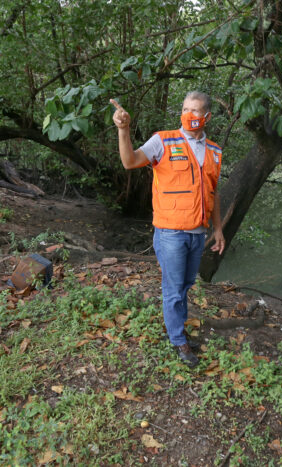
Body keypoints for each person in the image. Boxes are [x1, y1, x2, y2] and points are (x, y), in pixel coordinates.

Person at [111, 92, 225, 368]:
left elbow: (213, 192)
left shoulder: (214, 150)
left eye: (195, 111)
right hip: (170, 233)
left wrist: (218, 229)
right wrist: (123, 130)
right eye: (185, 109)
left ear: (207, 116)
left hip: (198, 233)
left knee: (185, 286)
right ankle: (177, 340)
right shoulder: (163, 140)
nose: (189, 115)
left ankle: (178, 331)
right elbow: (130, 161)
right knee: (173, 289)